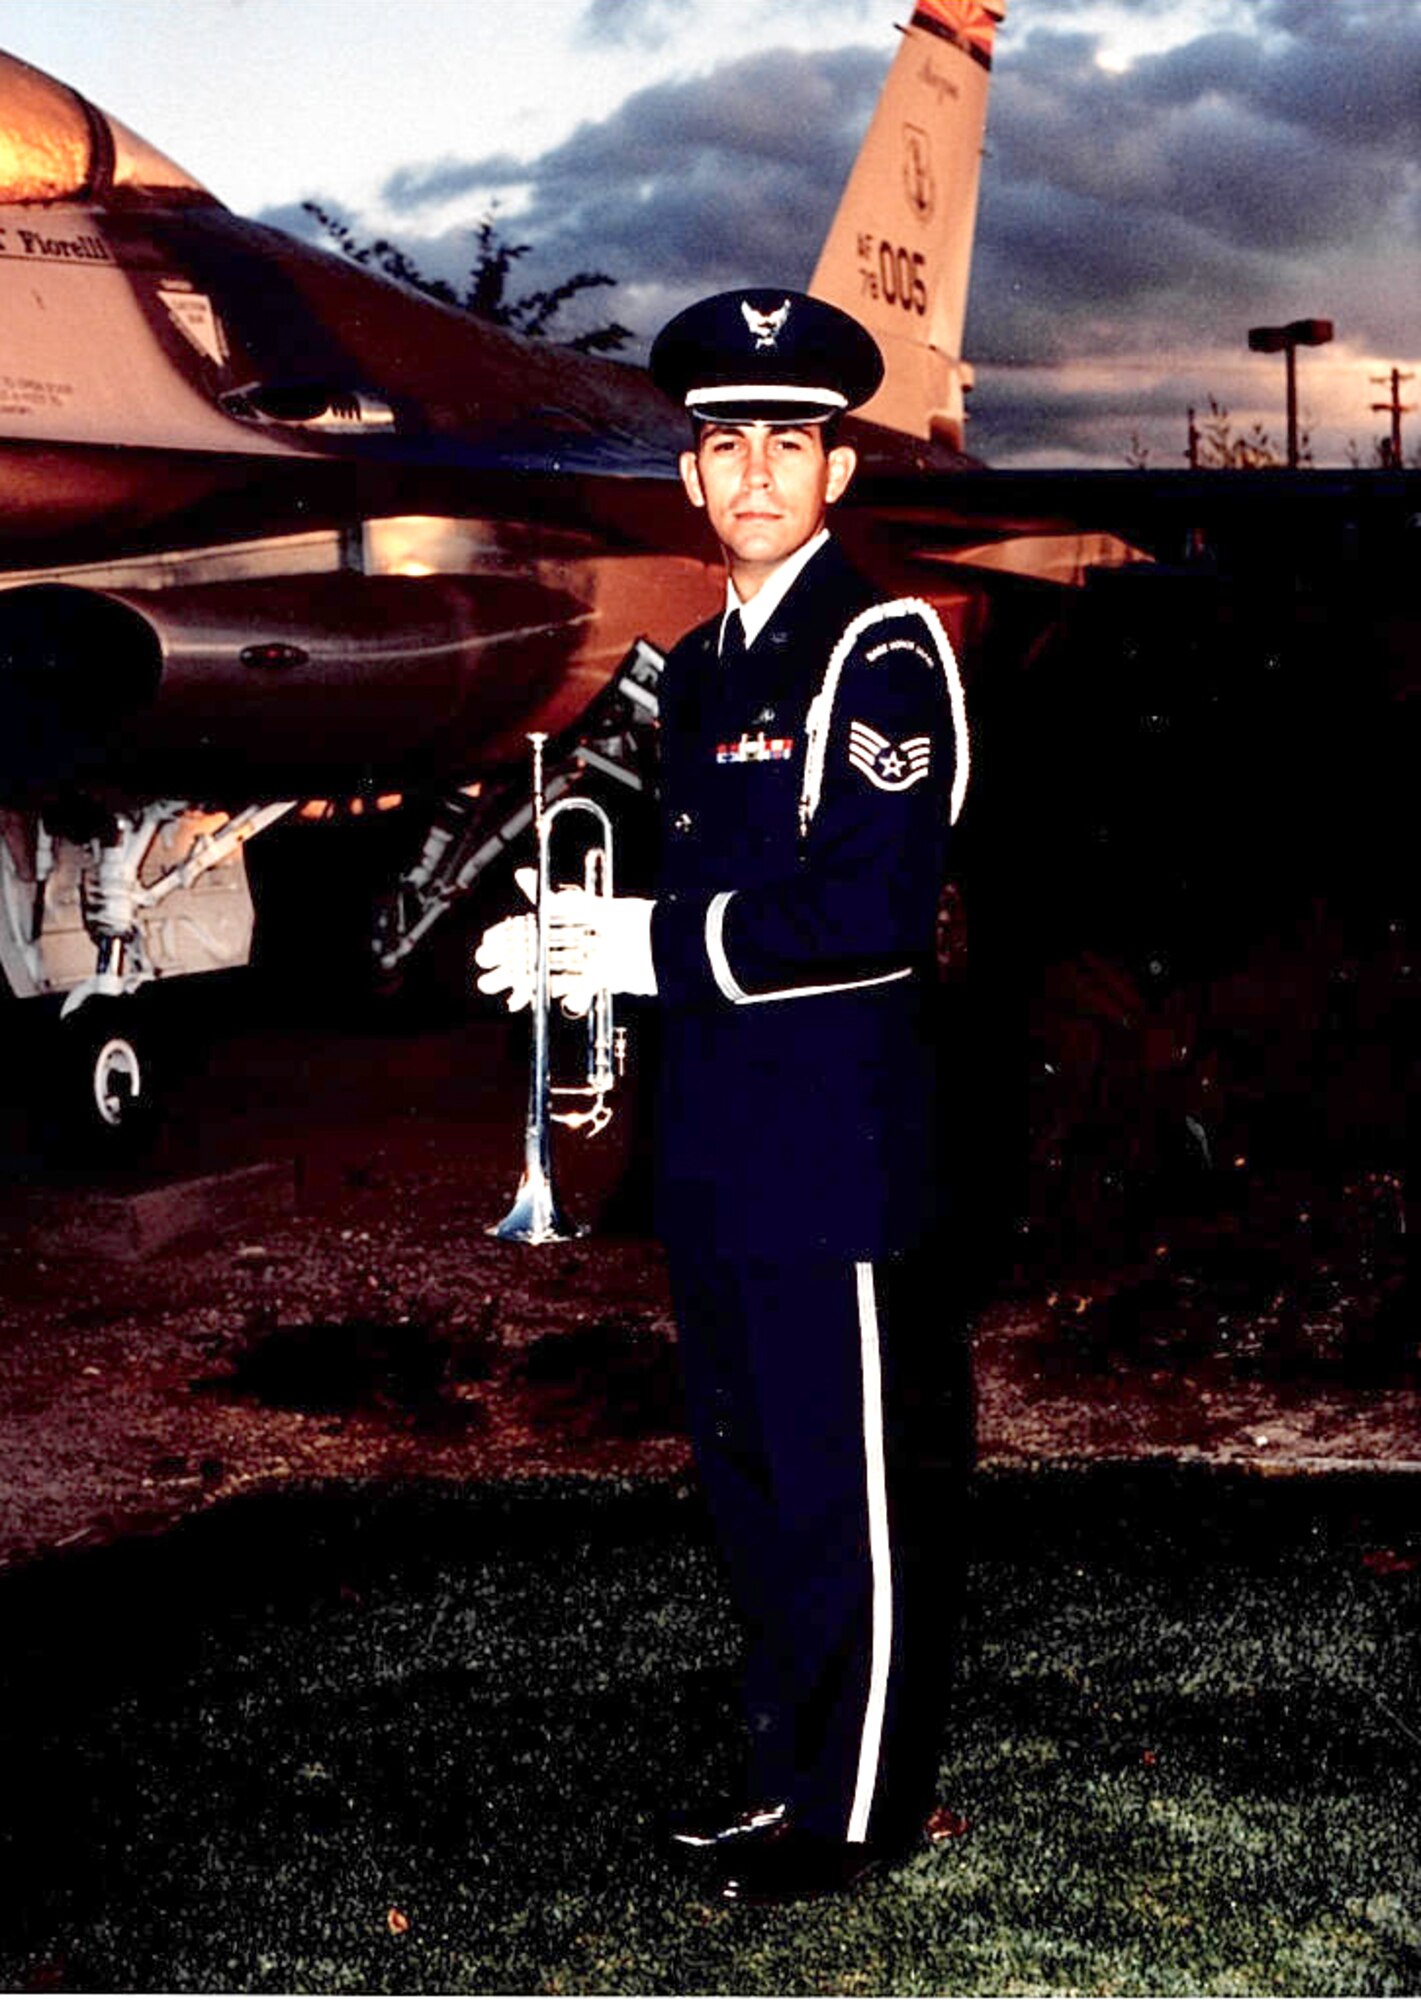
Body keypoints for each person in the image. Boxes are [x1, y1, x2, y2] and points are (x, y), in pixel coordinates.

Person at [475, 289, 970, 1904]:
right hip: (717, 1148)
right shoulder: (695, 669)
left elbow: (870, 915)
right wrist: (578, 956)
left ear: (836, 472)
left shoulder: (878, 649)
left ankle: (858, 1813)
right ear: (691, 476)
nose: (755, 470)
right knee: (752, 1483)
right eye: (724, 442)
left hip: (836, 1145)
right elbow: (674, 902)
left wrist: (643, 939)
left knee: (854, 1491)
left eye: (789, 441)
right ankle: (784, 1781)